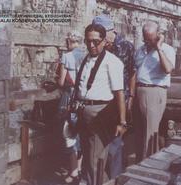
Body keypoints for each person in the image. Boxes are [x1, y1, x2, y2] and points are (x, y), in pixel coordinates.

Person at [76, 24, 127, 185]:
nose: (91, 45)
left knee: (96, 157)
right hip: (83, 110)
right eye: (88, 41)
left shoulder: (112, 62)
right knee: (87, 154)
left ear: (104, 41)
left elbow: (119, 93)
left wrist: (122, 121)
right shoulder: (86, 59)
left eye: (95, 41)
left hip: (101, 112)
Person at [92, 14, 135, 179]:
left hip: (119, 100)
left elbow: (132, 73)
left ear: (111, 30)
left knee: (116, 142)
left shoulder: (126, 47)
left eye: (102, 33)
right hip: (101, 99)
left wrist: (131, 97)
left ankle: (115, 177)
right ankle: (99, 177)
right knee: (99, 141)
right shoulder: (97, 46)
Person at [130, 21, 176, 160]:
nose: (148, 42)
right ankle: (140, 161)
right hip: (139, 91)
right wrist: (131, 96)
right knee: (138, 132)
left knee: (151, 132)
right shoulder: (140, 50)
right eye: (145, 38)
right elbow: (135, 73)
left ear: (158, 35)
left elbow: (167, 69)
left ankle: (149, 163)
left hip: (155, 91)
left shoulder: (167, 49)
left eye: (151, 39)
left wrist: (158, 48)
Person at [56, 30, 85, 184]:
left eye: (67, 41)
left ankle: (73, 171)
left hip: (70, 97)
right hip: (84, 98)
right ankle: (78, 169)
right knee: (80, 133)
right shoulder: (86, 55)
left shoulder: (67, 56)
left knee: (68, 133)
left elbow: (61, 82)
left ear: (70, 42)